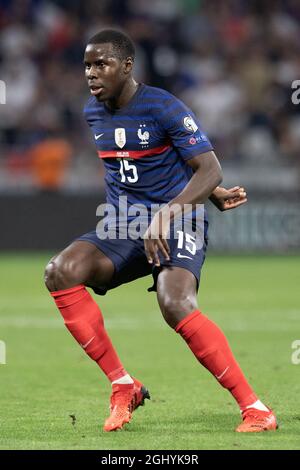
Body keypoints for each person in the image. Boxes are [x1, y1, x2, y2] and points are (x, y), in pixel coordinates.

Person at [45, 29, 277, 433]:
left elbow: (210, 168)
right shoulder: (93, 111)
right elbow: (148, 163)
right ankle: (123, 385)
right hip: (125, 224)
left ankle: (256, 409)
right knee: (60, 271)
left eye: (102, 64)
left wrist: (175, 209)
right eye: (87, 65)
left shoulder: (163, 106)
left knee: (175, 303)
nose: (91, 73)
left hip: (178, 220)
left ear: (127, 66)